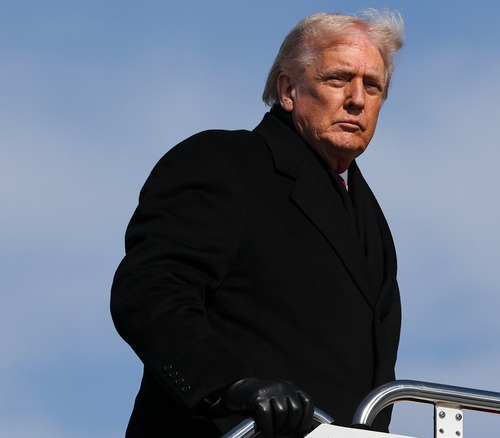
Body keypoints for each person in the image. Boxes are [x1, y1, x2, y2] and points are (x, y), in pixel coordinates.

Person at [111, 9, 404, 438]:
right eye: (338, 79)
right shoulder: (222, 163)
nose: (358, 99)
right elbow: (150, 292)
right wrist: (233, 385)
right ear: (288, 90)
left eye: (373, 85)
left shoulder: (373, 223)